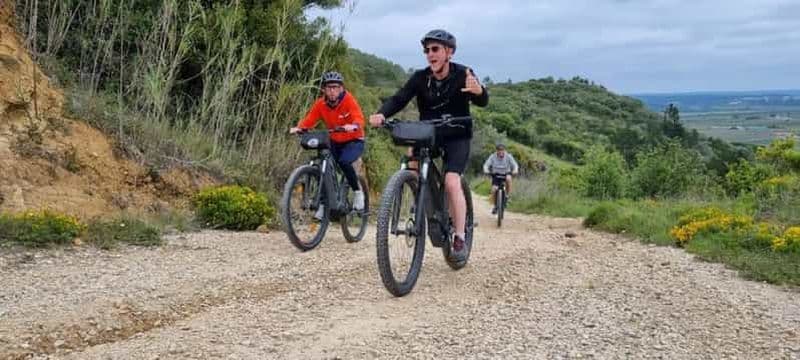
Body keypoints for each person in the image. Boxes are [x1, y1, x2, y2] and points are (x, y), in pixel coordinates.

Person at [368, 29, 489, 261]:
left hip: (457, 134)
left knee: (452, 182)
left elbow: (482, 100)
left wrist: (479, 91)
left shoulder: (464, 73)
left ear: (449, 52)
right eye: (427, 50)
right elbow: (399, 98)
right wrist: (381, 114)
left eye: (435, 49)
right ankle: (420, 199)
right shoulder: (420, 77)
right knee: (411, 161)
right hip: (429, 133)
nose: (430, 54)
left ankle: (460, 236)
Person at [290, 71, 366, 217]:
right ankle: (324, 203)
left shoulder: (349, 100)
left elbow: (358, 117)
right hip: (334, 140)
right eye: (329, 87)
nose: (332, 91)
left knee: (344, 162)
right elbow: (310, 119)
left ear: (341, 88)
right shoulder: (321, 104)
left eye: (336, 87)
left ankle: (358, 192)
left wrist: (354, 125)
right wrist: (300, 128)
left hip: (354, 140)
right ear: (323, 89)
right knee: (324, 166)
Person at [483, 142, 519, 214]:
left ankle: (507, 196)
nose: (501, 152)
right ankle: (495, 206)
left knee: (509, 179)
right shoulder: (492, 156)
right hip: (496, 175)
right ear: (497, 151)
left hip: (506, 173)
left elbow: (515, 165)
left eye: (502, 150)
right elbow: (486, 165)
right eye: (499, 150)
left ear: (504, 150)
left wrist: (515, 170)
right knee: (493, 190)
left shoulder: (508, 156)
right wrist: (486, 170)